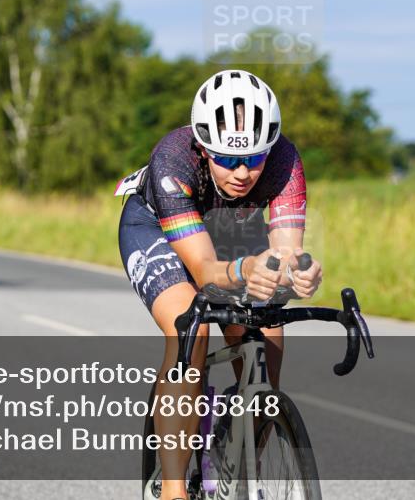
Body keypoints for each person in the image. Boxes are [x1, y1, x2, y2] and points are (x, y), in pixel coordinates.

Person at [117, 69, 323, 500]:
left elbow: (286, 251)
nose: (243, 172)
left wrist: (298, 271)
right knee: (190, 329)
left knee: (265, 338)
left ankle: (237, 461)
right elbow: (206, 269)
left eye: (255, 158)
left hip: (232, 227)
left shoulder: (285, 160)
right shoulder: (173, 159)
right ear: (203, 146)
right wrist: (246, 270)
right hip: (160, 230)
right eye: (227, 160)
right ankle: (174, 489)